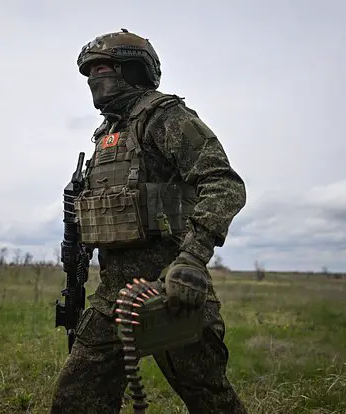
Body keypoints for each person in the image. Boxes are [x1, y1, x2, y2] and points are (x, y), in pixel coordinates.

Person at [49, 28, 248, 414]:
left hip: (169, 289)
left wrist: (191, 259)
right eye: (90, 71)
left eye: (102, 68)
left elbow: (223, 184)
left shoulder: (164, 116)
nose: (94, 77)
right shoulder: (106, 135)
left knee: (210, 399)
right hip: (113, 295)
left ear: (133, 69)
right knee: (75, 398)